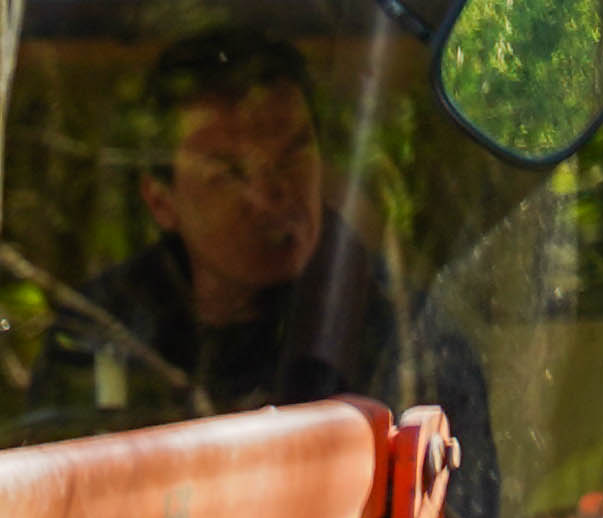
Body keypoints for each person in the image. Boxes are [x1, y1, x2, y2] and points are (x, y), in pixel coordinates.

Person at [52, 26, 426, 418]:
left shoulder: (396, 328)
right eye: (228, 172)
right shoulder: (106, 327)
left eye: (292, 155)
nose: (268, 194)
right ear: (161, 202)